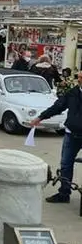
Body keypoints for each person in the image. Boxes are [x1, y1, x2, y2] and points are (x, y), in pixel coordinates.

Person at [31, 70, 82, 203]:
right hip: (72, 135)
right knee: (65, 164)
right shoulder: (73, 93)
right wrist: (41, 117)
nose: (80, 80)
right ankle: (64, 194)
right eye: (79, 77)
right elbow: (58, 106)